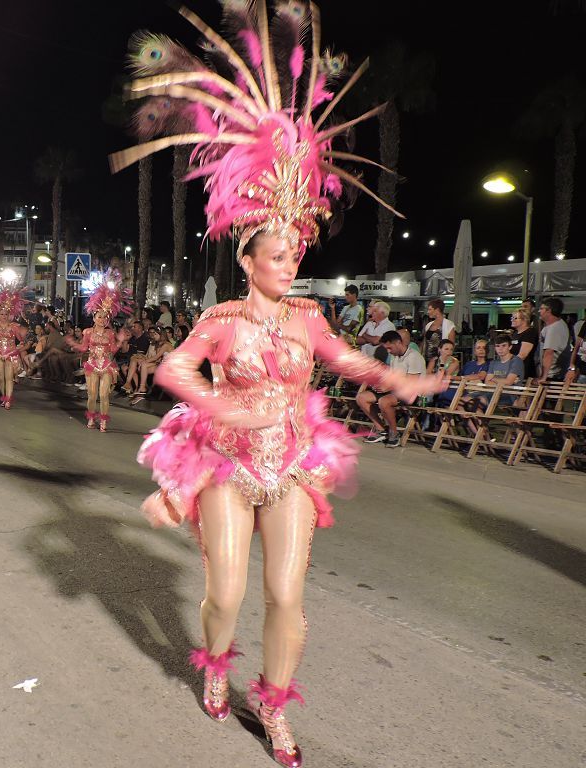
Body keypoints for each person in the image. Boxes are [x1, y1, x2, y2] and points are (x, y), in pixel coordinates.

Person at [111, 9, 446, 765]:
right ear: (249, 259)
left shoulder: (309, 316)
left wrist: (396, 376)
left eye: (296, 251)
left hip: (290, 464)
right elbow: (171, 369)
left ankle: (276, 703)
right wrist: (213, 401)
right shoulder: (224, 319)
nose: (290, 262)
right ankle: (217, 667)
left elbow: (347, 361)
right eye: (278, 253)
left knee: (288, 598)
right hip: (229, 464)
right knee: (226, 592)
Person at [64, 270, 130, 431]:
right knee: (92, 395)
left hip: (107, 365)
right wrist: (73, 343)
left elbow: (113, 349)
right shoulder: (87, 332)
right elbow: (84, 348)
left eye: (104, 317)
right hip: (92, 364)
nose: (102, 319)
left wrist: (120, 341)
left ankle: (104, 421)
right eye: (99, 316)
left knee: (104, 395)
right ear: (94, 318)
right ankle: (91, 417)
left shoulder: (110, 333)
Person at [357, 331, 427, 447]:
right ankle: (381, 429)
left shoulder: (413, 357)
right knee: (361, 398)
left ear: (399, 343)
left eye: (390, 348)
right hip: (395, 390)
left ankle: (394, 433)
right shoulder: (395, 356)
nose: (389, 352)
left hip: (412, 393)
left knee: (384, 401)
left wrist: (388, 387)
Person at [0, 284, 27, 409]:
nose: (4, 316)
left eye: (6, 314)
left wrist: (20, 345)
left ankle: (8, 400)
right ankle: (4, 397)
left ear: (9, 314)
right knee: (1, 378)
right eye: (1, 314)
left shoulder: (14, 326)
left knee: (9, 378)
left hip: (10, 354)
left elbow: (22, 339)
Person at [536, 297, 570, 382]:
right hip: (550, 374)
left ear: (549, 310)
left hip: (552, 376)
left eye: (541, 309)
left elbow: (549, 353)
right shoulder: (551, 325)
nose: (539, 311)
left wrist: (544, 377)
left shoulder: (554, 328)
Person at [510, 308, 538, 380]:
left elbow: (523, 355)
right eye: (512, 318)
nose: (512, 320)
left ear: (525, 319)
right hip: (514, 369)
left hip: (524, 370)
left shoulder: (529, 333)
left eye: (515, 318)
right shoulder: (515, 334)